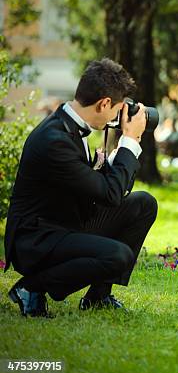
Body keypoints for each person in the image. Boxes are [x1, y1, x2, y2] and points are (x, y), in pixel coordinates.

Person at [4, 58, 158, 317]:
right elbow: (109, 194)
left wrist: (123, 148)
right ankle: (31, 288)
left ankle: (98, 297)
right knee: (117, 256)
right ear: (104, 104)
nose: (118, 117)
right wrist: (130, 140)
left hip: (65, 222)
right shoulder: (54, 140)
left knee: (143, 204)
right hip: (37, 239)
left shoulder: (71, 127)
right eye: (118, 110)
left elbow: (106, 189)